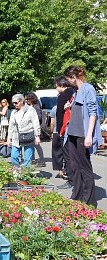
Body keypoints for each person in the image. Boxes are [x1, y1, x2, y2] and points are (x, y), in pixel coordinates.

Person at [64, 65, 103, 207]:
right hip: (72, 134)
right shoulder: (75, 91)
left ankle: (89, 200)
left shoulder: (88, 88)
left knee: (84, 167)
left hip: (82, 134)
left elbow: (93, 113)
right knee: (75, 166)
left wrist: (88, 136)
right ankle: (77, 195)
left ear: (73, 77)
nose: (67, 82)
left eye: (68, 79)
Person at [7, 94, 41, 167]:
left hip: (28, 135)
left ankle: (25, 174)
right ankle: (16, 171)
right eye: (13, 103)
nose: (14, 104)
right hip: (16, 136)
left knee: (27, 158)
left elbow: (36, 123)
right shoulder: (13, 112)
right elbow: (11, 126)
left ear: (22, 101)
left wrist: (37, 136)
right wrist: (9, 138)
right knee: (14, 156)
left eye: (16, 103)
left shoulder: (30, 110)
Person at [53, 75, 75, 187]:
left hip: (64, 128)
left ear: (61, 85)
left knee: (67, 155)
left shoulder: (63, 96)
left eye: (56, 86)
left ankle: (71, 180)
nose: (56, 88)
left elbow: (60, 114)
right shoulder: (74, 92)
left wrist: (59, 130)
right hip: (74, 128)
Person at [25, 92, 46, 167]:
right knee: (30, 143)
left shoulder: (36, 106)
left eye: (27, 99)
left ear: (31, 99)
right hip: (29, 127)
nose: (26, 101)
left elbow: (39, 117)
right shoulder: (28, 106)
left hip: (35, 127)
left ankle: (42, 160)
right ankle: (32, 159)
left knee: (36, 144)